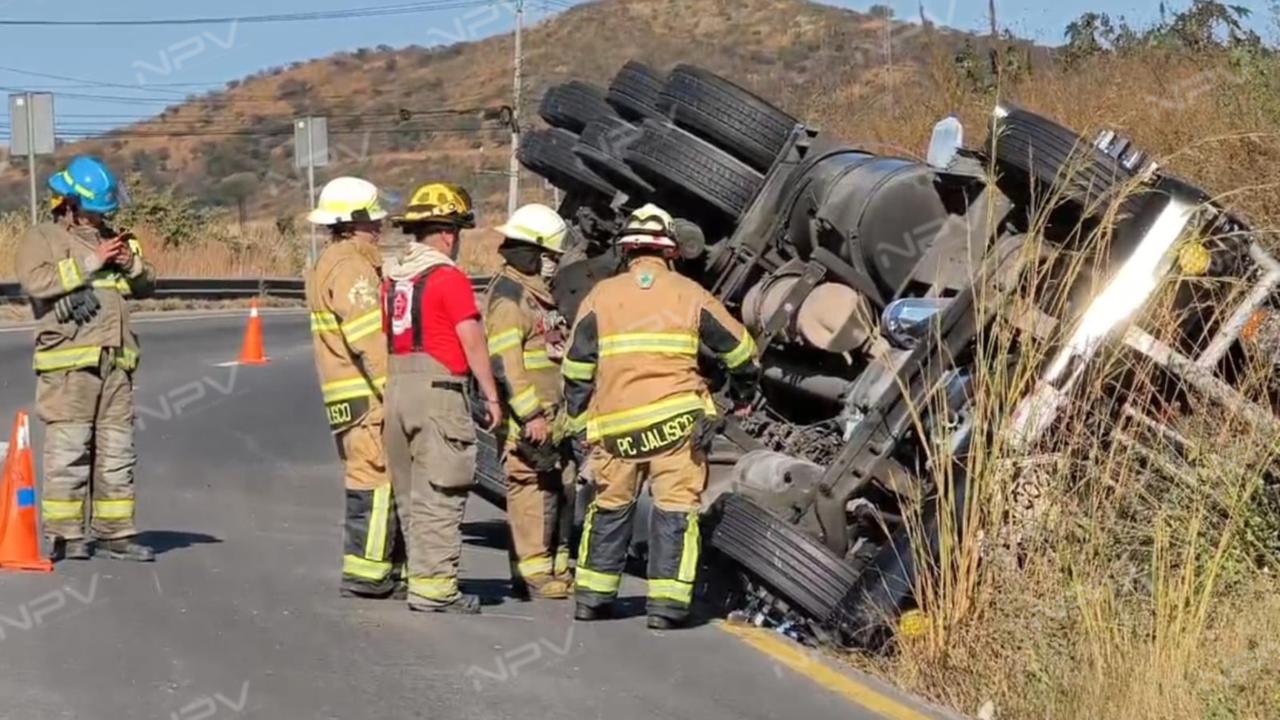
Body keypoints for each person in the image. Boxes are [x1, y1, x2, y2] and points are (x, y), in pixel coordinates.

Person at [562, 204, 760, 629]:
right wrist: (740, 398)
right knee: (675, 509)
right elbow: (742, 352)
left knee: (610, 506)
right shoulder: (690, 294)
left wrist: (580, 425)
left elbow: (576, 366)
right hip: (677, 425)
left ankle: (592, 599)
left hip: (616, 428)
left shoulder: (602, 296)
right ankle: (666, 608)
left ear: (627, 250)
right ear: (671, 251)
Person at [16, 155, 156, 562]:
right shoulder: (43, 238)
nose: (100, 218)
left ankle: (115, 532)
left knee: (117, 451)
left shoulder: (117, 239)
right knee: (69, 450)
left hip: (116, 362)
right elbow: (36, 282)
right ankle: (66, 534)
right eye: (93, 210)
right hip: (68, 364)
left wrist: (132, 264)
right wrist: (90, 262)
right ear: (71, 204)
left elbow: (147, 285)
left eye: (103, 211)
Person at [382, 182, 502, 614]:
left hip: (397, 388)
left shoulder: (393, 278)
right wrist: (491, 396)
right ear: (448, 234)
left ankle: (418, 576)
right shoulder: (448, 278)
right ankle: (435, 590)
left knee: (410, 493)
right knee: (440, 491)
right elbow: (471, 340)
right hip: (438, 393)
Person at [305, 177, 405, 598]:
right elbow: (370, 339)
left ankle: (379, 570)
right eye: (372, 221)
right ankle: (369, 574)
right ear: (352, 222)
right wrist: (395, 391)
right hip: (367, 398)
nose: (379, 227)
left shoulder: (330, 261)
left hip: (347, 397)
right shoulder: (350, 266)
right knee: (375, 480)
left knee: (370, 477)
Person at [484, 203, 575, 600]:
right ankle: (533, 573)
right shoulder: (509, 299)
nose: (554, 264)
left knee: (554, 487)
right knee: (529, 491)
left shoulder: (534, 294)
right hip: (528, 419)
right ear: (533, 253)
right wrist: (531, 415)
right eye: (550, 256)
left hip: (551, 415)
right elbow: (506, 365)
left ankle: (550, 564)